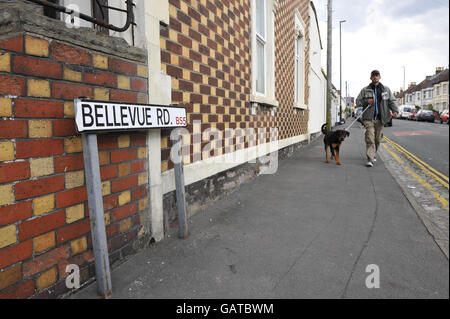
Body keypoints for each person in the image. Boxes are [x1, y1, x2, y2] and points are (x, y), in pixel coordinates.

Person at [356, 70, 399, 167]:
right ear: (370, 78)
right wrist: (367, 101)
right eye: (373, 76)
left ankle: (373, 153)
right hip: (368, 118)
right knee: (370, 137)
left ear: (380, 77)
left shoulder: (386, 90)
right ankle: (370, 159)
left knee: (377, 139)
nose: (375, 77)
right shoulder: (365, 90)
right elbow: (358, 102)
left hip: (381, 118)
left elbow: (391, 101)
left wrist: (395, 110)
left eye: (377, 75)